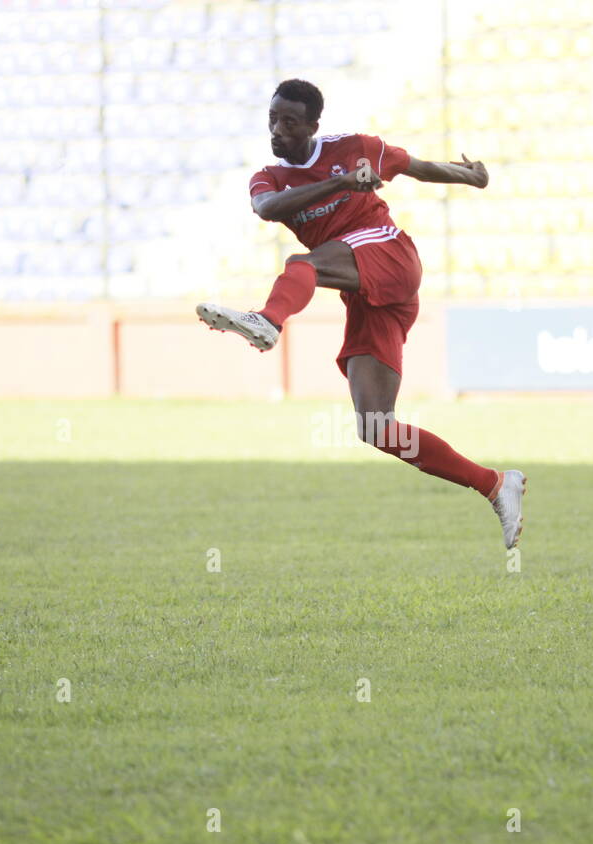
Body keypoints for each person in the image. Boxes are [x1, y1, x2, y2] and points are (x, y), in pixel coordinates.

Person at [196, 78, 526, 550]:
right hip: (369, 293)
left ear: (313, 125)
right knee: (376, 426)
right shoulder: (268, 178)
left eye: (289, 122)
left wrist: (471, 177)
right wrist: (341, 182)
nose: (277, 129)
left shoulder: (356, 148)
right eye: (272, 119)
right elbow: (268, 209)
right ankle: (495, 484)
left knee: (302, 265)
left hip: (390, 254)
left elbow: (416, 166)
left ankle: (268, 321)